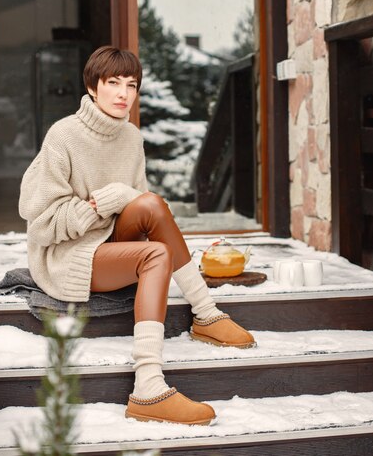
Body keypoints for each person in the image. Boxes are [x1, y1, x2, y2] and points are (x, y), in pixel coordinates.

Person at [19, 46, 255, 426]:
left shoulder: (131, 137)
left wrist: (124, 197)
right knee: (156, 256)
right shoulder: (63, 136)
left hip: (112, 240)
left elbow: (140, 208)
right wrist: (95, 207)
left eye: (131, 84)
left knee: (153, 205)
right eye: (112, 82)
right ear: (92, 86)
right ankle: (148, 387)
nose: (122, 93)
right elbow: (40, 223)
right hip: (70, 256)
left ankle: (206, 314)